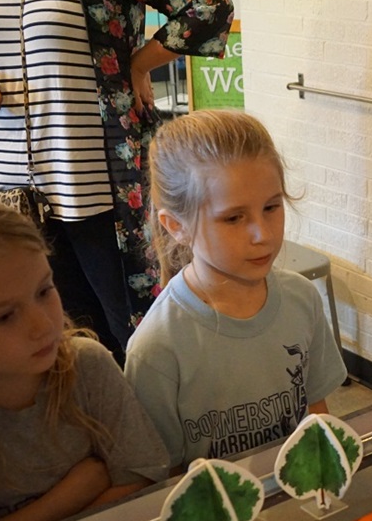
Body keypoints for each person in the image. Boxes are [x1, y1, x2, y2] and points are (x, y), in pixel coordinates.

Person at [0, 0, 234, 363]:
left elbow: (209, 6)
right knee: (45, 339)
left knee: (136, 336)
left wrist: (138, 65)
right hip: (3, 189)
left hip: (95, 183)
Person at [0, 193, 169, 521]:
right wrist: (77, 491)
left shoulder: (87, 365)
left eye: (44, 291)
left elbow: (143, 488)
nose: (43, 325)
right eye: (5, 316)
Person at [125, 110, 348, 471]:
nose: (263, 234)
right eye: (233, 217)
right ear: (177, 226)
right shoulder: (157, 349)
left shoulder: (303, 300)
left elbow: (316, 419)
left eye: (271, 207)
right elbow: (157, 480)